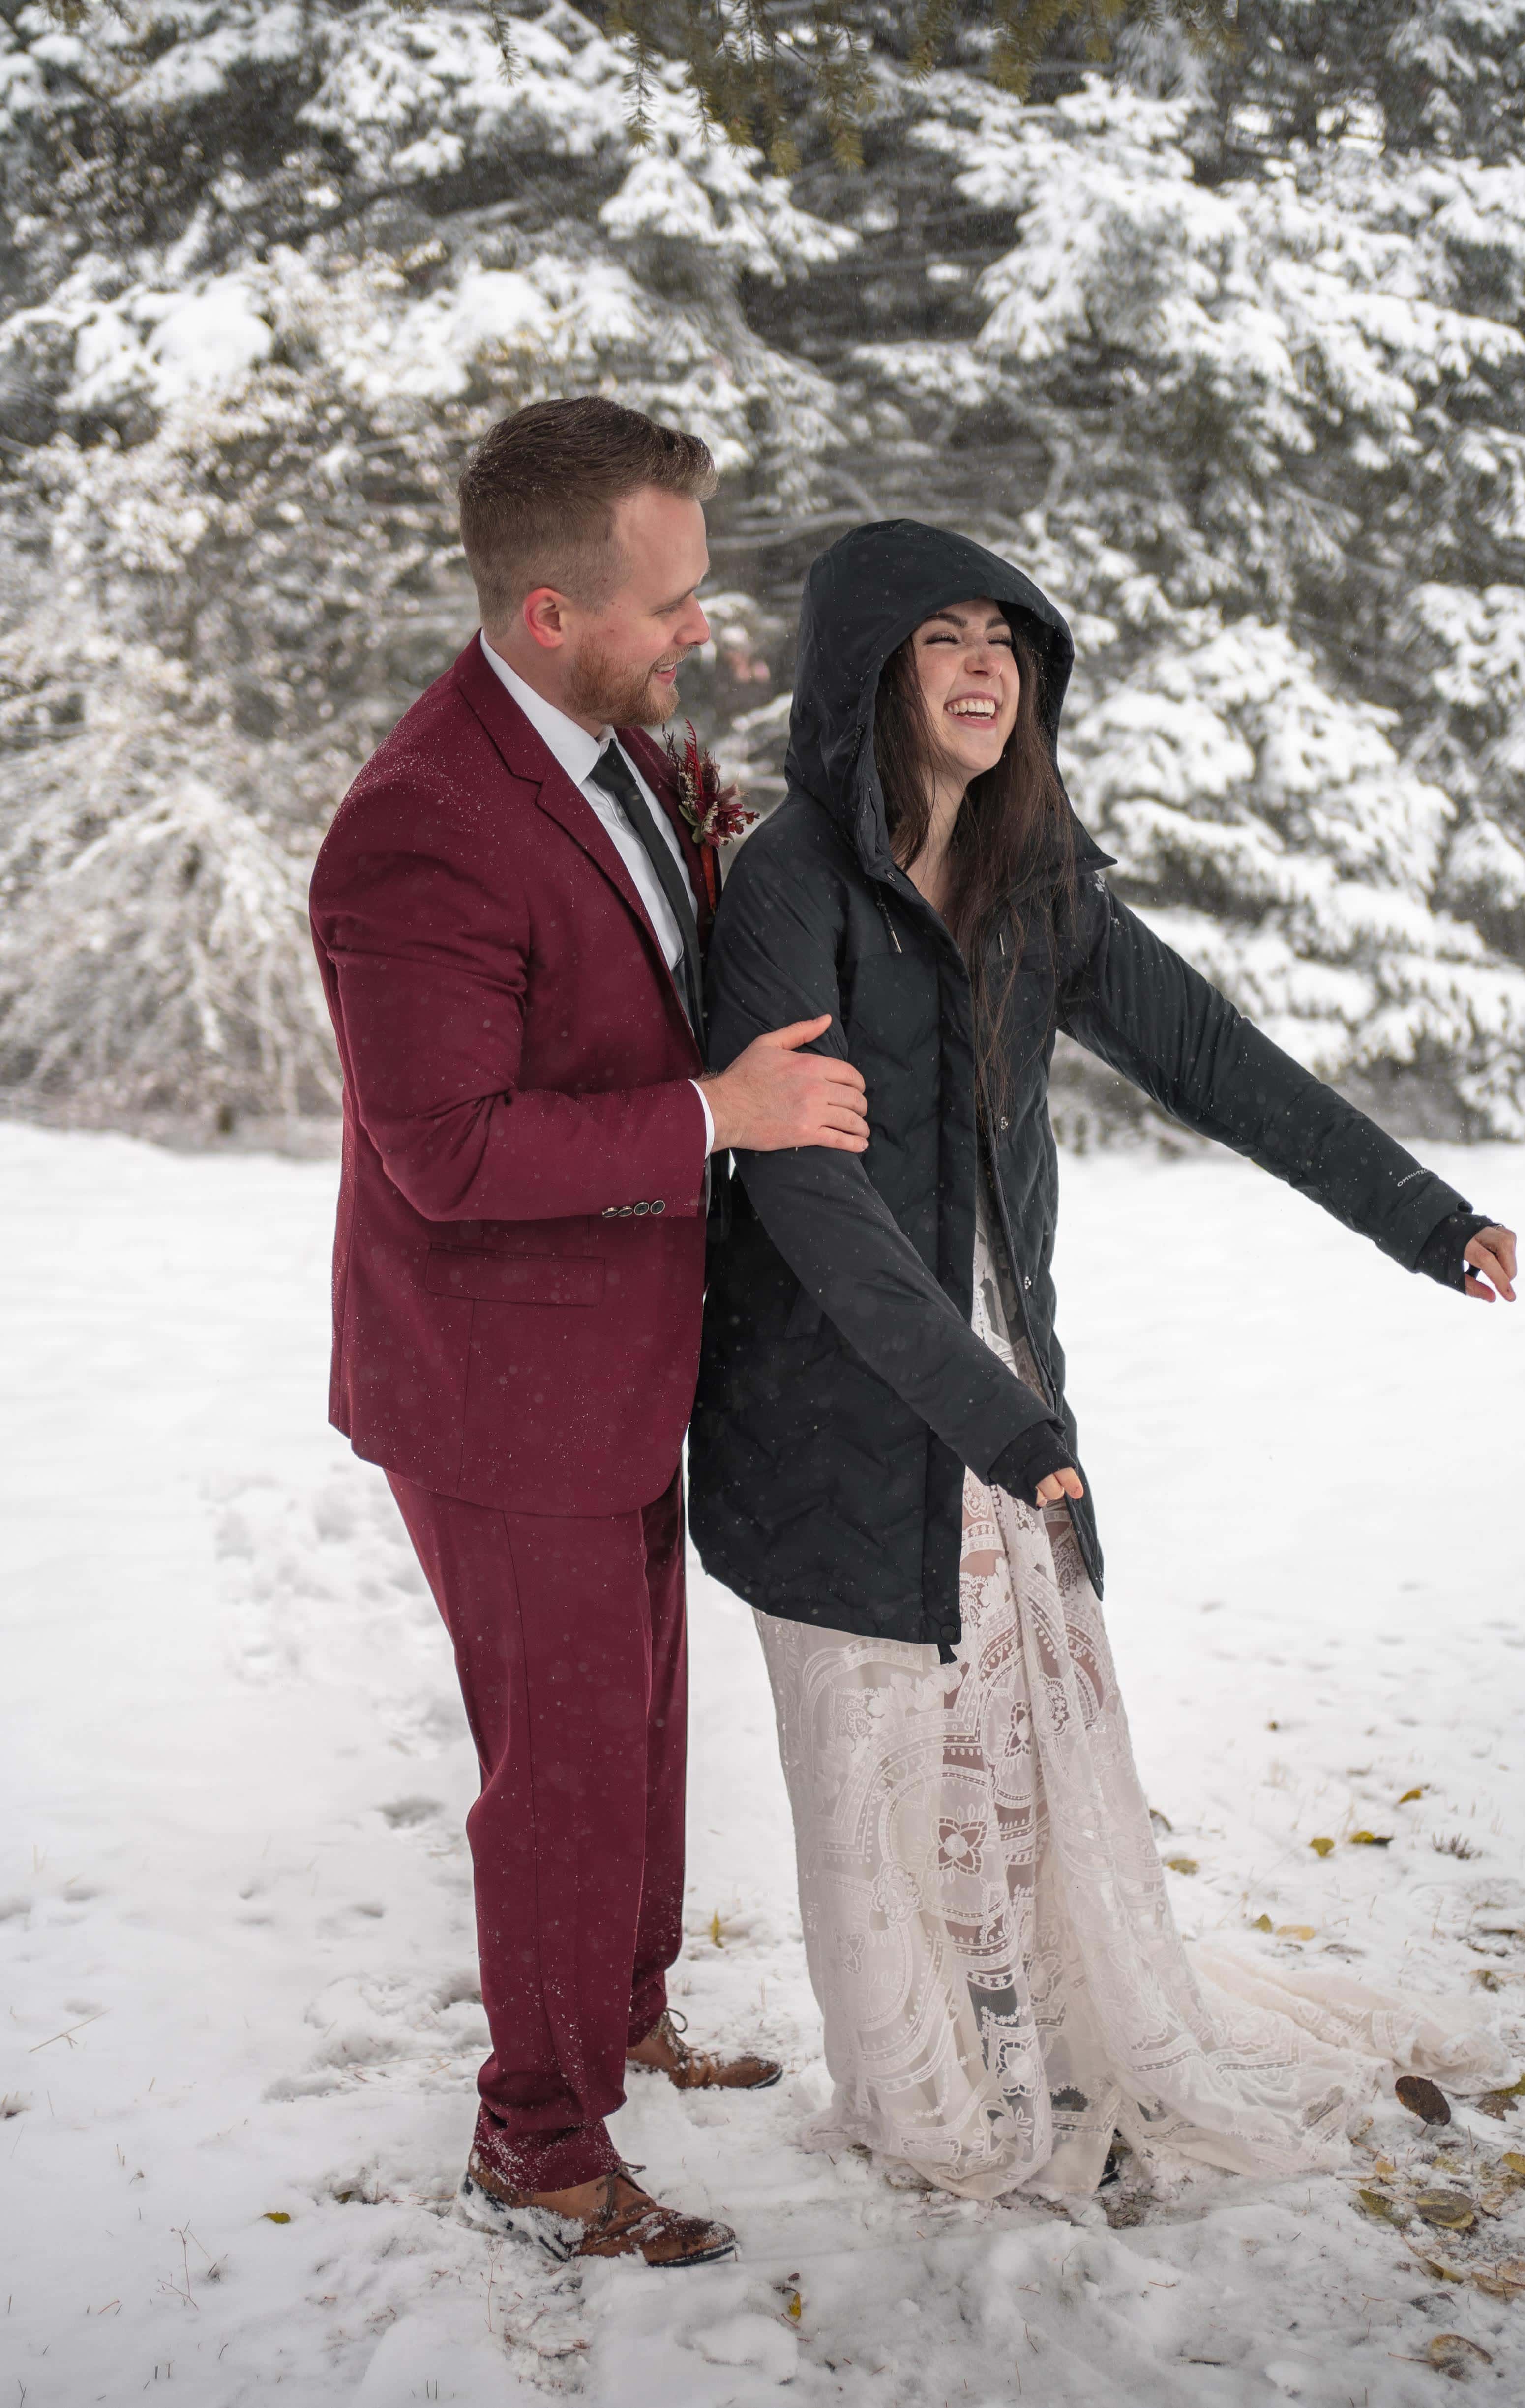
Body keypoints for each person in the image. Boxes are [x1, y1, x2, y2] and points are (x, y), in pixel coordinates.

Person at [691, 519, 1514, 2202]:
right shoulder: (787, 888)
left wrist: (1423, 1215)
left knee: (1018, 1729)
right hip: (838, 1398)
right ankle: (934, 2091)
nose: (985, 665)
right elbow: (809, 1199)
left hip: (1003, 1375)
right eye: (942, 639)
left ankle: (1048, 2037)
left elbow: (1216, 1059)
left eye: (1006, 638)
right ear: (868, 675)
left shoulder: (1029, 878)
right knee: (890, 1746)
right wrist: (992, 1416)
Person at [307, 398, 871, 2267]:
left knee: (630, 1722)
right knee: (555, 1768)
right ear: (549, 613)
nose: (699, 630)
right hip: (494, 1385)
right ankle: (539, 2144)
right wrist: (722, 1115)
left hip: (621, 1357)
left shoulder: (621, 748)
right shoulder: (420, 828)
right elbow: (445, 1153)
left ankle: (618, 2014)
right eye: (670, 602)